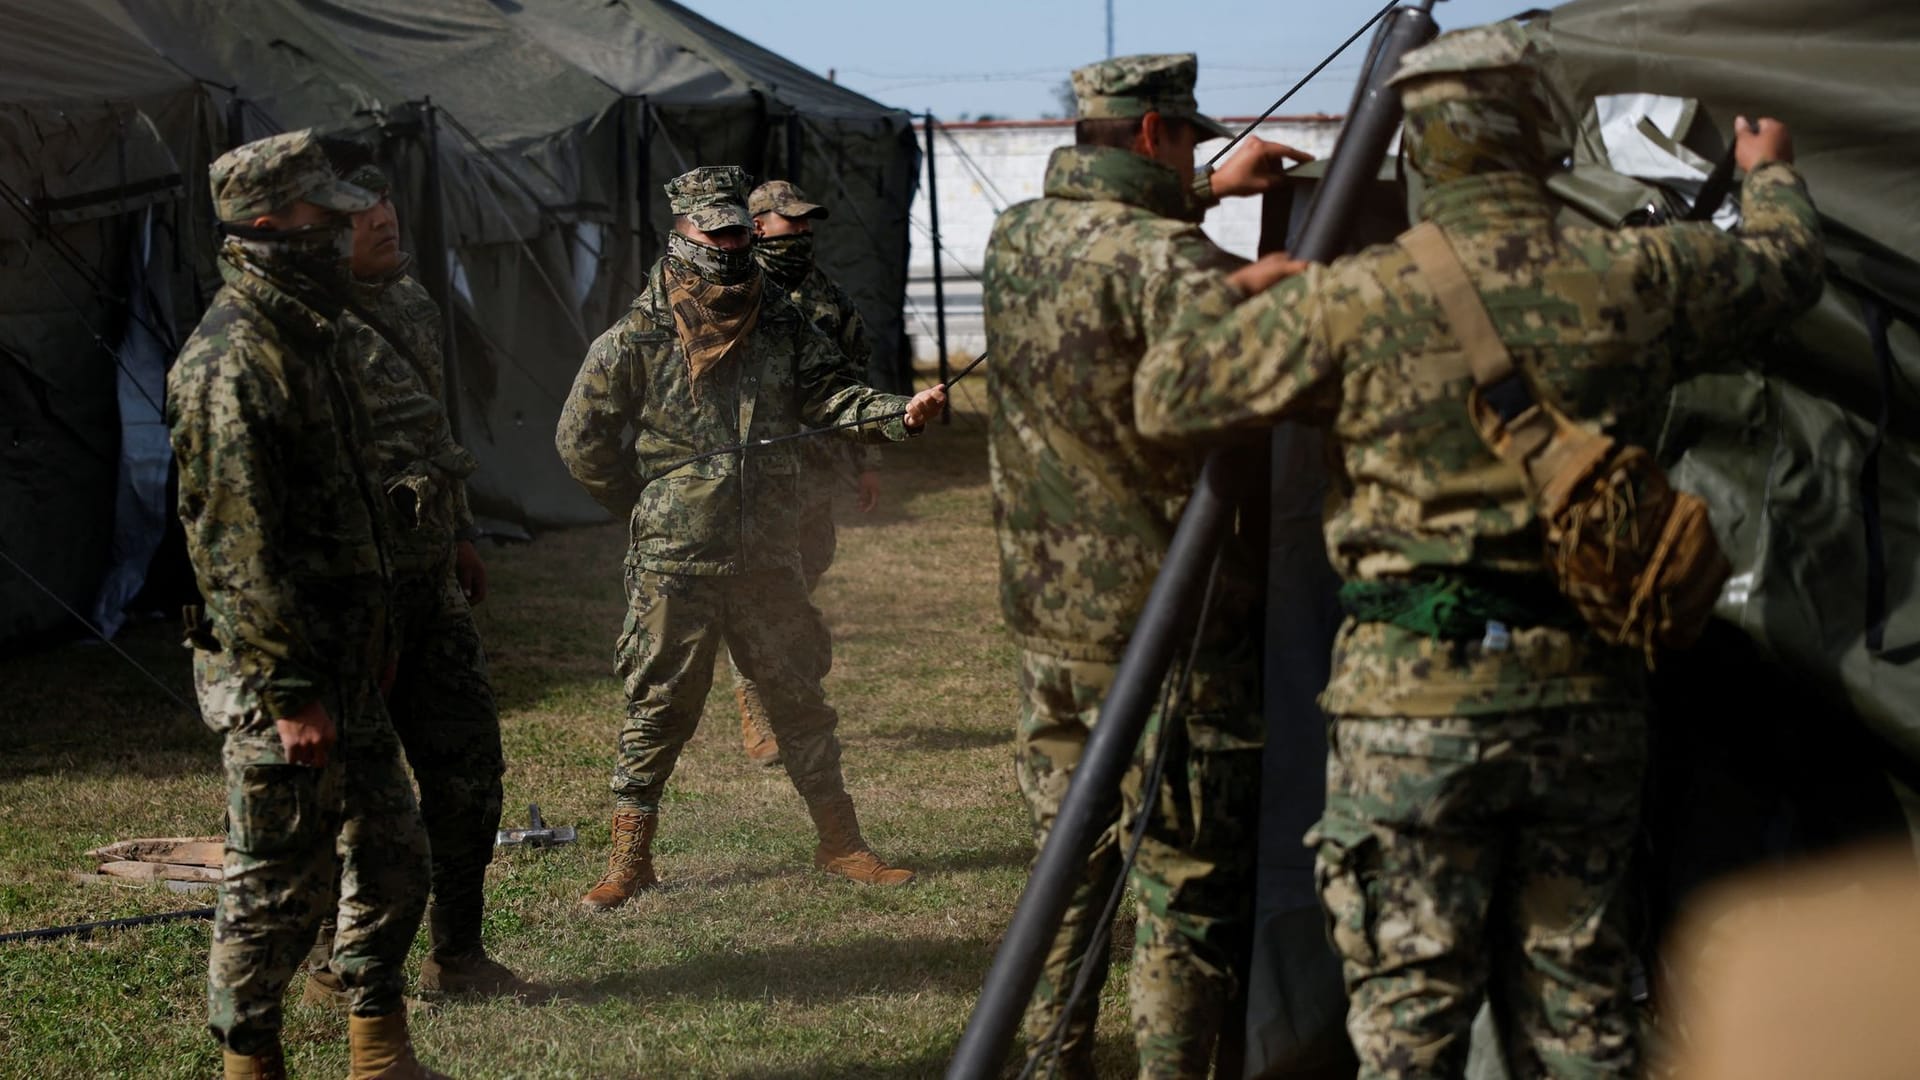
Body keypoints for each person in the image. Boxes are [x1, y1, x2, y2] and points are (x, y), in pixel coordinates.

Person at [1133, 22, 1824, 1079]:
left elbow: (1169, 398)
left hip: (1408, 712)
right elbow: (1783, 271)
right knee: (1584, 1007)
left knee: (1409, 1024)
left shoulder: (1352, 299)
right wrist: (1769, 177)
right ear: (1538, 134)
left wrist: (1231, 294)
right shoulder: (1633, 275)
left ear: (1420, 145)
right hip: (1586, 699)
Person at [982, 52, 1312, 1077]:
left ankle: (1053, 1059)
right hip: (1172, 630)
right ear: (1150, 134)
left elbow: (1105, 240)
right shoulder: (1176, 266)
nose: (1194, 154)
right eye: (1188, 140)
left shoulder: (1015, 240)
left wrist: (1212, 190)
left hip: (1046, 623)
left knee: (1068, 869)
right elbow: (1217, 360)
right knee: (1184, 884)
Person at [555, 165, 948, 912]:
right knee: (659, 707)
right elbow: (581, 441)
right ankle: (629, 863)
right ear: (684, 235)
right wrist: (652, 503)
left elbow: (833, 394)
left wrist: (897, 412)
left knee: (798, 697)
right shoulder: (638, 335)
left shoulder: (781, 322)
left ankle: (841, 843)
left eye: (742, 228)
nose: (736, 244)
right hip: (676, 557)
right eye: (720, 232)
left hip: (769, 549)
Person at [167, 130, 442, 1080]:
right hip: (279, 679)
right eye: (324, 218)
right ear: (269, 225)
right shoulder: (232, 361)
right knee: (277, 886)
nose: (341, 233)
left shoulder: (308, 337)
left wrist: (374, 642)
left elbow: (353, 507)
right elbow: (235, 551)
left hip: (346, 662)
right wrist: (291, 693)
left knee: (396, 852)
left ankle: (379, 1053)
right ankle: (251, 1065)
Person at [297, 156, 523, 1003]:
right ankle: (332, 957)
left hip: (427, 578)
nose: (383, 218)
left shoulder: (412, 303)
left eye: (387, 199)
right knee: (352, 788)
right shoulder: (299, 330)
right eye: (361, 209)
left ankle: (457, 953)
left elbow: (436, 427)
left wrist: (459, 530)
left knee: (469, 764)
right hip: (354, 591)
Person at [722, 179, 883, 768]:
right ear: (758, 226)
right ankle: (754, 702)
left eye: (809, 225)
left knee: (803, 583)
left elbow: (855, 383)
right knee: (760, 589)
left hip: (813, 477)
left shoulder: (830, 300)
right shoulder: (734, 292)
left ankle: (785, 689)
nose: (804, 234)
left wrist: (865, 463)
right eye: (793, 223)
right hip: (753, 476)